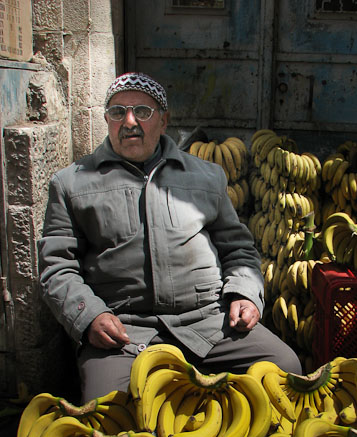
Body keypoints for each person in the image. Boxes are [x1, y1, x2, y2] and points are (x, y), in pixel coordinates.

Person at [38, 72, 302, 403]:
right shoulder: (71, 183)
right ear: (107, 119)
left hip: (209, 323)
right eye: (118, 112)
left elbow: (239, 250)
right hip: (126, 332)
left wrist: (245, 295)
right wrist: (89, 315)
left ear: (164, 121)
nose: (129, 121)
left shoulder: (206, 176)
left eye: (142, 112)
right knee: (109, 407)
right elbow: (57, 267)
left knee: (285, 368)